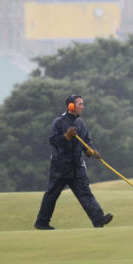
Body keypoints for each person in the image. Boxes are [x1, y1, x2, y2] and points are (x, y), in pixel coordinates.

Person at [34, 94, 113, 230]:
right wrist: (66, 136)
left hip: (77, 166)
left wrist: (91, 151)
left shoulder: (81, 123)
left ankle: (98, 219)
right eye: (80, 104)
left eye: (83, 104)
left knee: (85, 193)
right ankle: (42, 223)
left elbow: (86, 142)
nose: (83, 106)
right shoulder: (59, 121)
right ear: (71, 106)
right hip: (60, 166)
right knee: (52, 194)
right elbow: (53, 141)